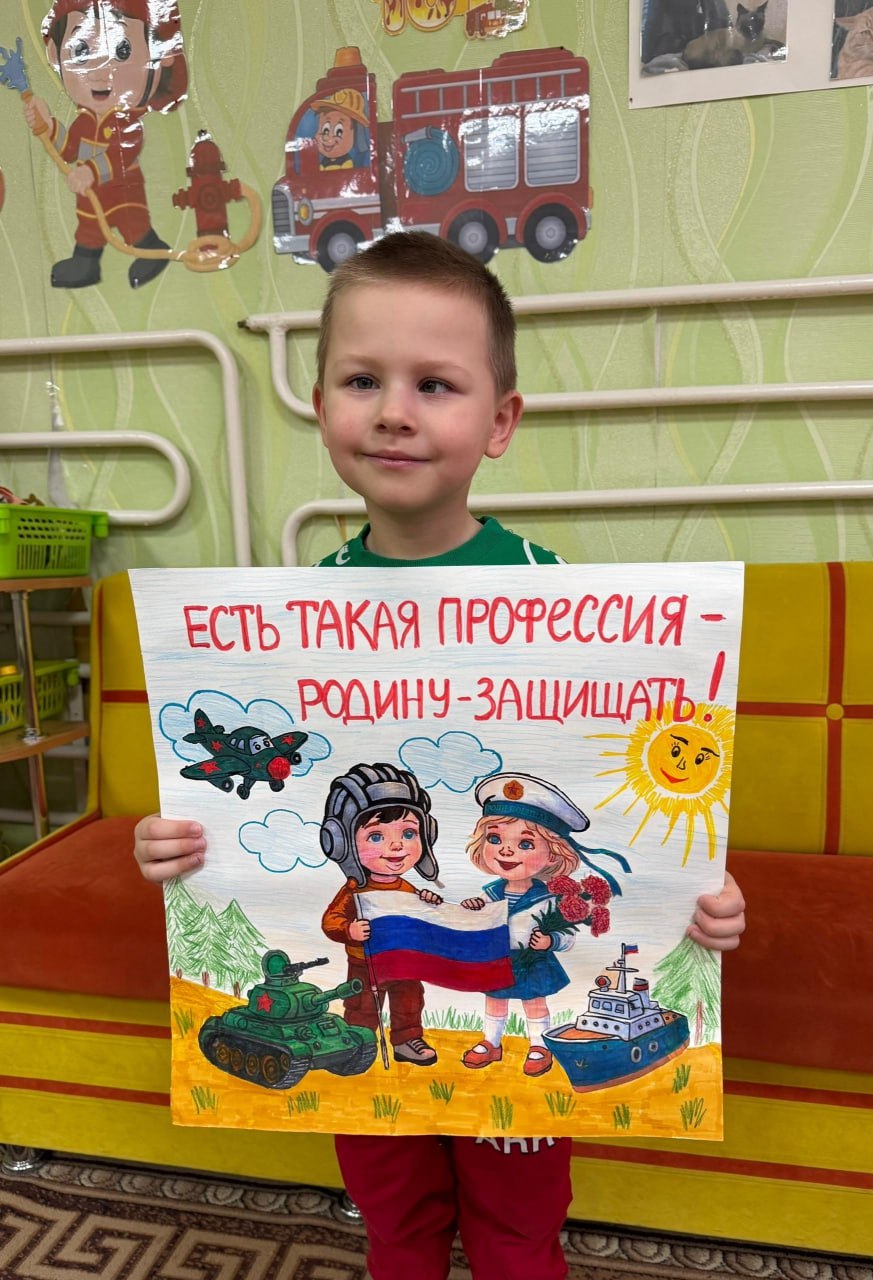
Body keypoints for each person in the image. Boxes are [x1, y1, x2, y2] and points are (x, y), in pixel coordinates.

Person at [133, 229, 747, 1280]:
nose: (393, 411)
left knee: (516, 1230)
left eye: (435, 383)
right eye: (360, 379)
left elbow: (644, 815)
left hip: (519, 1012)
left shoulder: (569, 603)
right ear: (318, 404)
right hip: (379, 1015)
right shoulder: (285, 620)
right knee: (395, 1224)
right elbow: (233, 814)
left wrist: (697, 897)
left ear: (498, 420)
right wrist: (180, 846)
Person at [461, 771, 627, 1079]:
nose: (506, 851)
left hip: (534, 961)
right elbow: (476, 920)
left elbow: (568, 936)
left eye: (525, 843)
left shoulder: (550, 897)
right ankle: (491, 1042)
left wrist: (550, 942)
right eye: (494, 839)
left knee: (534, 1003)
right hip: (497, 958)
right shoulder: (491, 893)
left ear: (552, 855)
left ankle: (539, 1046)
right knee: (494, 1000)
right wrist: (473, 908)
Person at [23, 0, 188, 289]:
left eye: (123, 50)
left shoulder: (127, 124)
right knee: (89, 229)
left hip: (123, 193)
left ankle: (150, 250)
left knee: (133, 225)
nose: (100, 73)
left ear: (159, 54)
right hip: (91, 197)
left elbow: (120, 154)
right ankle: (85, 262)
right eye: (81, 51)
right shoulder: (84, 122)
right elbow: (68, 150)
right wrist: (48, 125)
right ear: (56, 54)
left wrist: (89, 171)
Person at [319, 762, 443, 1066]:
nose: (397, 845)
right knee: (362, 1006)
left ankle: (406, 1040)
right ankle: (357, 1042)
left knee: (409, 1001)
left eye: (409, 833)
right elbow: (331, 921)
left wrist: (427, 902)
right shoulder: (354, 889)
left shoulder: (407, 889)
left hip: (403, 962)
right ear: (341, 842)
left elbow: (420, 920)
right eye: (376, 836)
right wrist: (349, 930)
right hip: (366, 964)